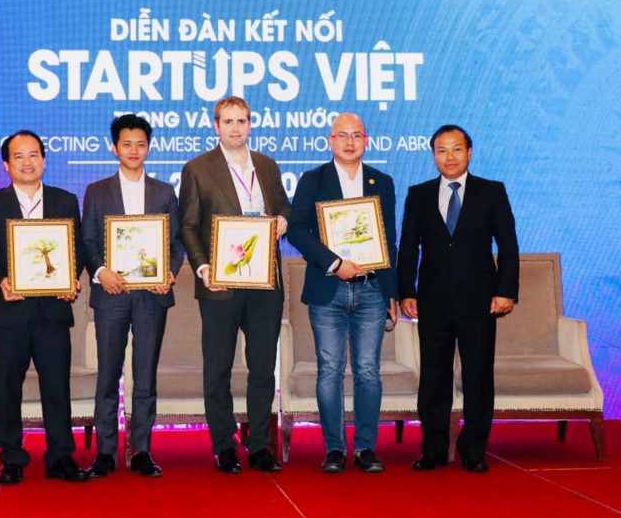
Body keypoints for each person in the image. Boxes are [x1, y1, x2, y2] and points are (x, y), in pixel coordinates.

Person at [0, 130, 89, 484]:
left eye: (34, 154)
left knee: (57, 387)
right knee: (7, 389)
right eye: (18, 156)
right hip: (8, 314)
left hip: (52, 313)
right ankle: (11, 458)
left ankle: (60, 457)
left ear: (44, 160)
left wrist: (71, 278)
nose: (27, 162)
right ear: (6, 164)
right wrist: (1, 280)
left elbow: (77, 248)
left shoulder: (65, 201)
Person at [397, 124, 519, 473]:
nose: (449, 157)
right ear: (433, 155)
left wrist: (506, 291)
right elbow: (409, 247)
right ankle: (433, 450)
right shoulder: (418, 194)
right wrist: (406, 291)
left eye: (456, 149)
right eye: (441, 150)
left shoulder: (492, 191)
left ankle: (473, 450)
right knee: (433, 378)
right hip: (432, 300)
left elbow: (507, 245)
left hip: (479, 301)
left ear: (469, 153)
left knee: (478, 376)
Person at [178, 96, 289, 473]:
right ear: (216, 126)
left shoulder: (267, 166)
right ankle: (224, 445)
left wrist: (283, 220)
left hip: (264, 282)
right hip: (220, 283)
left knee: (263, 368)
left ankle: (259, 445)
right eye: (228, 121)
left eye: (242, 121)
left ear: (250, 124)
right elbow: (188, 225)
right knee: (218, 368)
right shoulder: (197, 168)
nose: (236, 128)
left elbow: (283, 206)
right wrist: (202, 266)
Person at [287, 113, 398, 473]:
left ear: (366, 140)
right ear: (330, 141)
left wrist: (392, 292)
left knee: (368, 371)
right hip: (328, 289)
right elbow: (297, 231)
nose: (350, 142)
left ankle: (365, 448)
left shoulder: (381, 182)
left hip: (372, 290)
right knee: (329, 371)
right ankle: (334, 448)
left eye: (356, 136)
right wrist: (335, 263)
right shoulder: (312, 180)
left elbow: (389, 239)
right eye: (342, 136)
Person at [82, 114, 184, 478]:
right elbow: (87, 241)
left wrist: (169, 273)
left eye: (141, 144)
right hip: (111, 293)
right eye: (127, 144)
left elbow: (175, 243)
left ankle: (141, 450)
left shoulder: (163, 192)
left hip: (151, 296)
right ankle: (105, 452)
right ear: (114, 148)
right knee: (107, 374)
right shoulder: (97, 191)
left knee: (145, 374)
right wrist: (101, 272)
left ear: (148, 147)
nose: (134, 150)